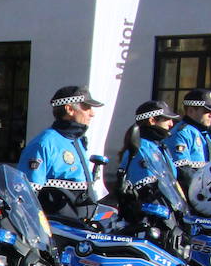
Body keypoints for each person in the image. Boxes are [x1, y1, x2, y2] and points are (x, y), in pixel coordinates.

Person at [16, 86, 108, 219]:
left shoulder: (77, 141)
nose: (92, 113)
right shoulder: (45, 143)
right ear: (69, 109)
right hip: (59, 230)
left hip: (82, 225)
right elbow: (27, 195)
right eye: (86, 107)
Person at [163, 88, 211, 191]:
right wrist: (204, 191)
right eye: (207, 111)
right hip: (193, 195)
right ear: (191, 111)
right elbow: (183, 172)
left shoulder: (206, 134)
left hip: (208, 193)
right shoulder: (181, 133)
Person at [119, 98, 181, 189]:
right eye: (167, 119)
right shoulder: (141, 149)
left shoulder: (157, 146)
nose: (171, 124)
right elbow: (147, 189)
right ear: (152, 121)